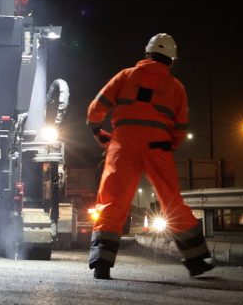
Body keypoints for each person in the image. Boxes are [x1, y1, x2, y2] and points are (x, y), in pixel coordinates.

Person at [86, 34, 214, 279]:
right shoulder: (176, 87)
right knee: (171, 200)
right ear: (170, 60)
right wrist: (169, 146)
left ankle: (102, 263)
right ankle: (196, 260)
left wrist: (96, 129)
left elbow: (96, 107)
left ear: (147, 54)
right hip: (158, 146)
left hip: (123, 144)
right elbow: (180, 126)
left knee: (112, 200)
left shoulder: (125, 75)